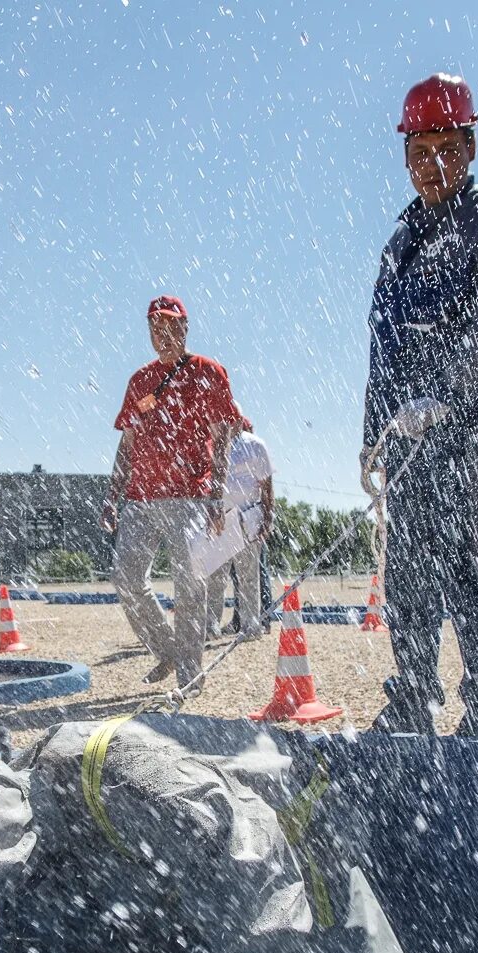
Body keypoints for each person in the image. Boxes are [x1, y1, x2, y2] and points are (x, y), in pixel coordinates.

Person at [360, 74, 478, 738]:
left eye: (446, 150)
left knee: (470, 557)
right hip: (405, 435)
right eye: (420, 152)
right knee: (407, 563)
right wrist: (373, 432)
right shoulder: (399, 240)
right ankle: (411, 696)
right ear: (406, 156)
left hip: (469, 426)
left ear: (470, 146)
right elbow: (380, 343)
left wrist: (447, 398)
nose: (433, 166)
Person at [102, 295, 245, 688]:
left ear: (184, 328)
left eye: (169, 327)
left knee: (190, 580)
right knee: (126, 578)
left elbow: (224, 436)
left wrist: (216, 495)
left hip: (192, 495)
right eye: (154, 328)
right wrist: (111, 495)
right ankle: (166, 649)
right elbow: (127, 445)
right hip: (141, 497)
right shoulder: (139, 381)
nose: (161, 335)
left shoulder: (209, 372)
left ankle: (189, 670)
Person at [205, 427, 274, 638]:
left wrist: (268, 516)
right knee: (215, 577)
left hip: (247, 518)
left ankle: (251, 626)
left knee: (248, 578)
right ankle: (210, 628)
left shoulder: (255, 444)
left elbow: (267, 483)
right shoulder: (212, 444)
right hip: (220, 521)